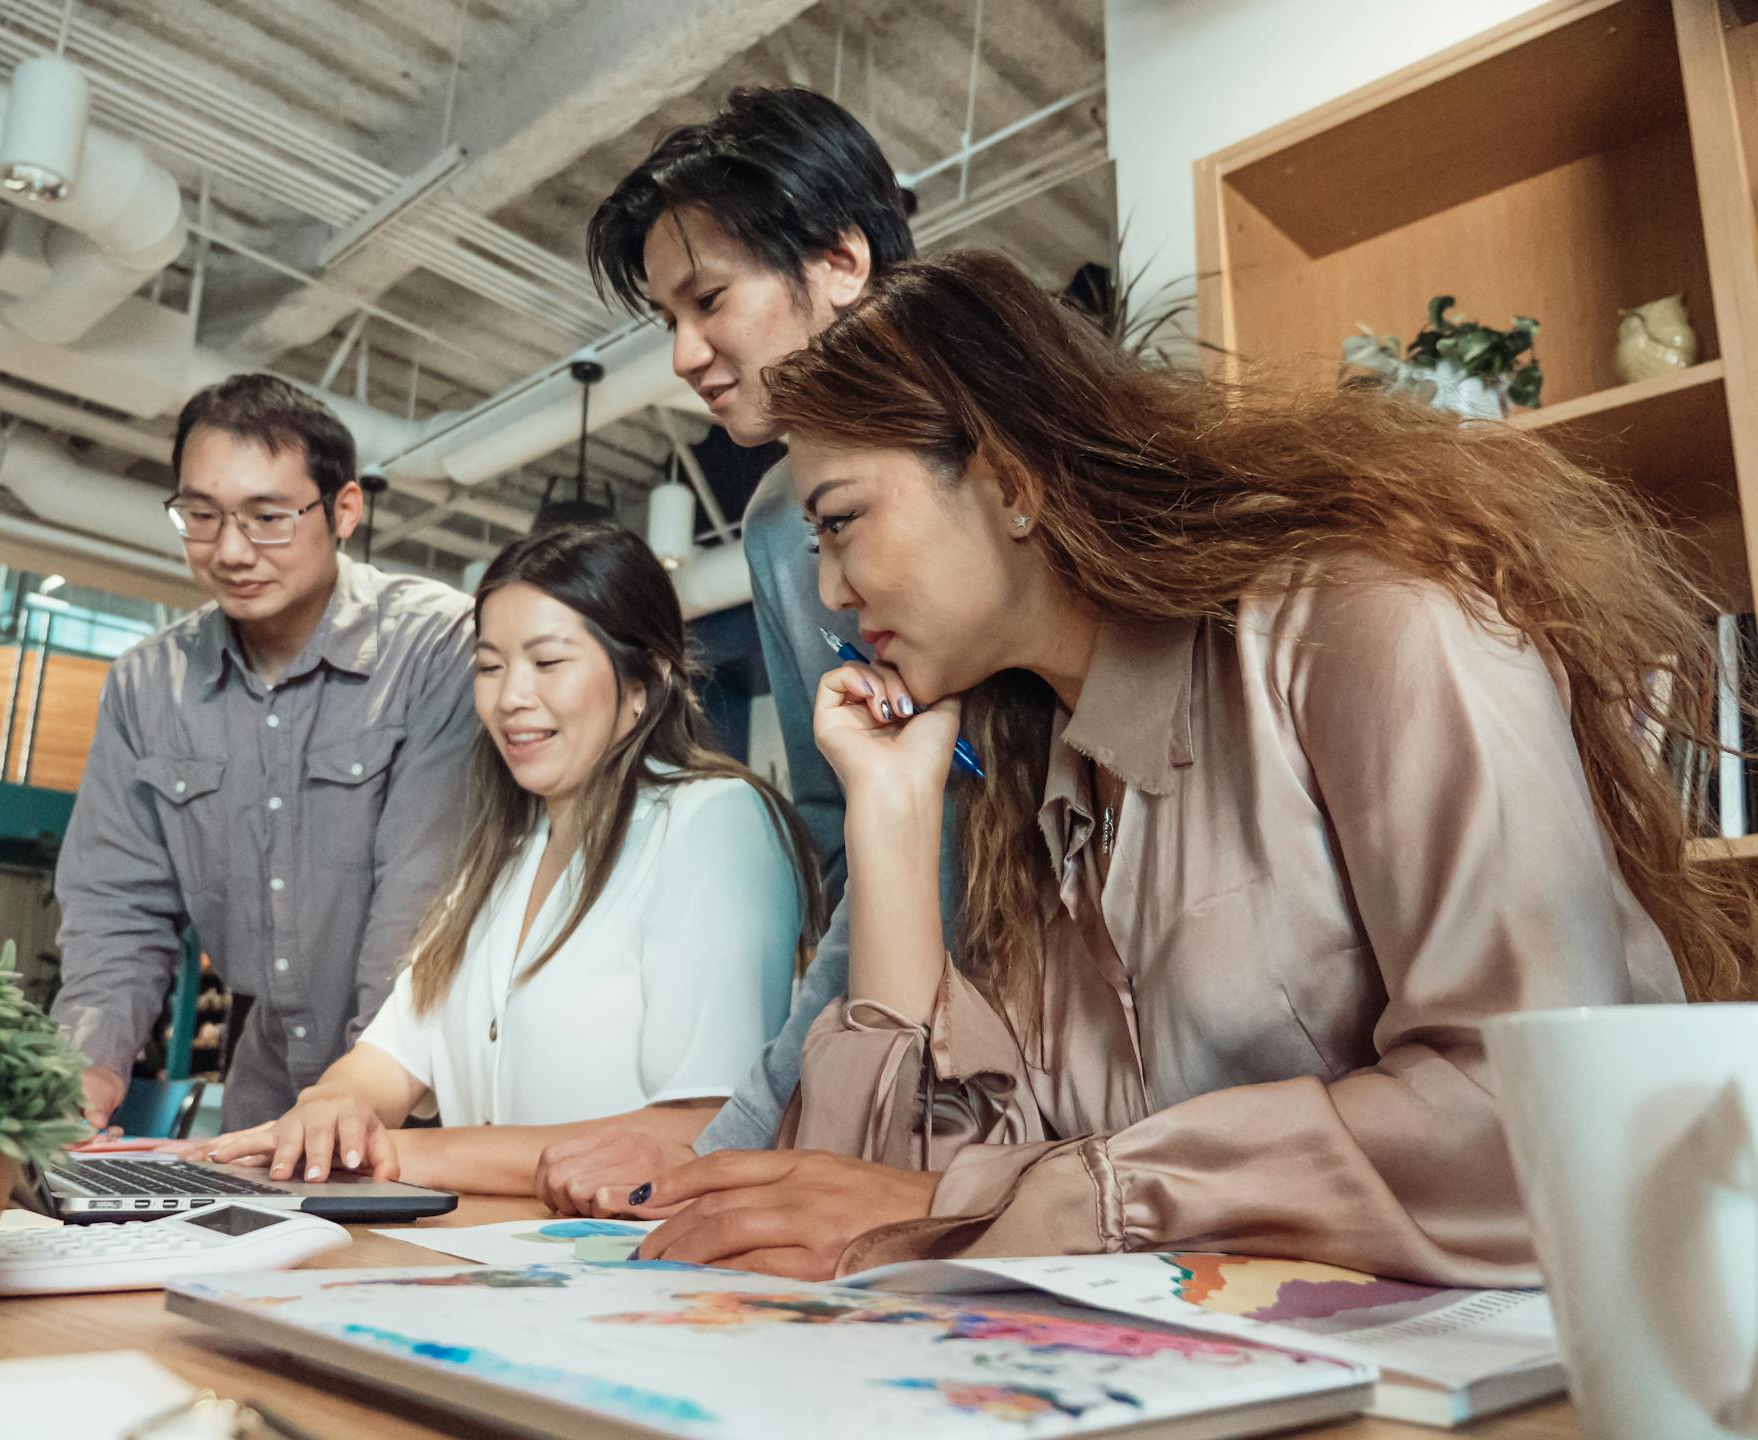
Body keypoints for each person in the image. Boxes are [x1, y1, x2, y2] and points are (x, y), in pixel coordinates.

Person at [626, 249, 1744, 1285]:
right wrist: (892, 816)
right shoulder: (1034, 788)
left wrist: (1082, 1193)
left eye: (842, 521)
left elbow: (1530, 1115)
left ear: (1012, 479)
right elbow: (893, 1206)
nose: (827, 593)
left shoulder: (1366, 624)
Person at [531, 86, 956, 1215]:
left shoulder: (1013, 443)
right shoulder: (776, 526)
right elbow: (844, 836)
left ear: (842, 259)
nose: (684, 354)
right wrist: (750, 1130)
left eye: (710, 298)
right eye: (667, 317)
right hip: (936, 1085)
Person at [194, 523, 825, 1190]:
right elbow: (386, 1059)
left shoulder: (714, 821)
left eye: (548, 663)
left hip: (632, 1269)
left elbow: (705, 1126)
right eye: (490, 667)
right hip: (486, 1260)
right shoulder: (503, 859)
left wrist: (397, 1154)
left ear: (645, 680)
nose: (510, 697)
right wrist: (332, 1108)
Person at [52, 373, 479, 1132]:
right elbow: (117, 908)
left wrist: (361, 1092)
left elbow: (424, 903)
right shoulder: (148, 687)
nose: (231, 551)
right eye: (201, 515)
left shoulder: (437, 646)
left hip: (425, 1099)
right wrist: (86, 1069)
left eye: (268, 517)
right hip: (266, 1098)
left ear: (344, 509)